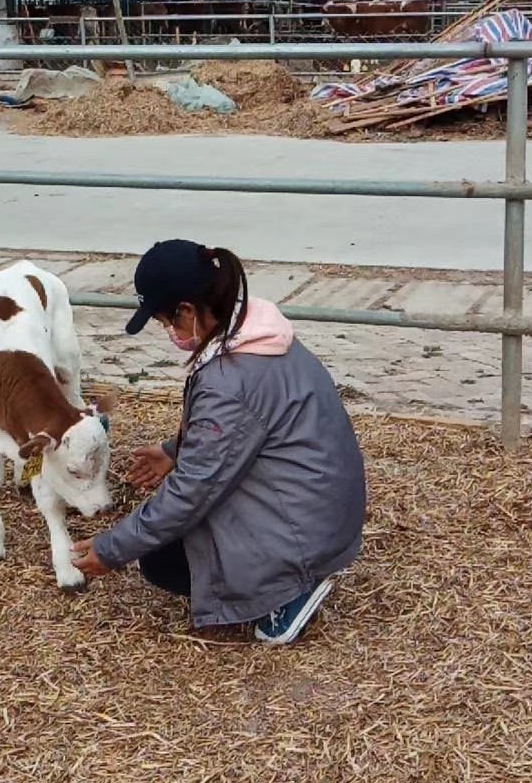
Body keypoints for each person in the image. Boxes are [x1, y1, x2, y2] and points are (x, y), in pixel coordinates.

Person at [71, 240, 366, 643]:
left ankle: (293, 587)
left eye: (164, 321)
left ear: (188, 311)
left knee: (163, 562)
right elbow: (247, 431)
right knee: (171, 541)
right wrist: (174, 451)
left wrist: (112, 548)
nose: (168, 332)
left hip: (306, 533)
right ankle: (298, 564)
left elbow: (192, 490)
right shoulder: (257, 330)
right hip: (323, 509)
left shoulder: (230, 381)